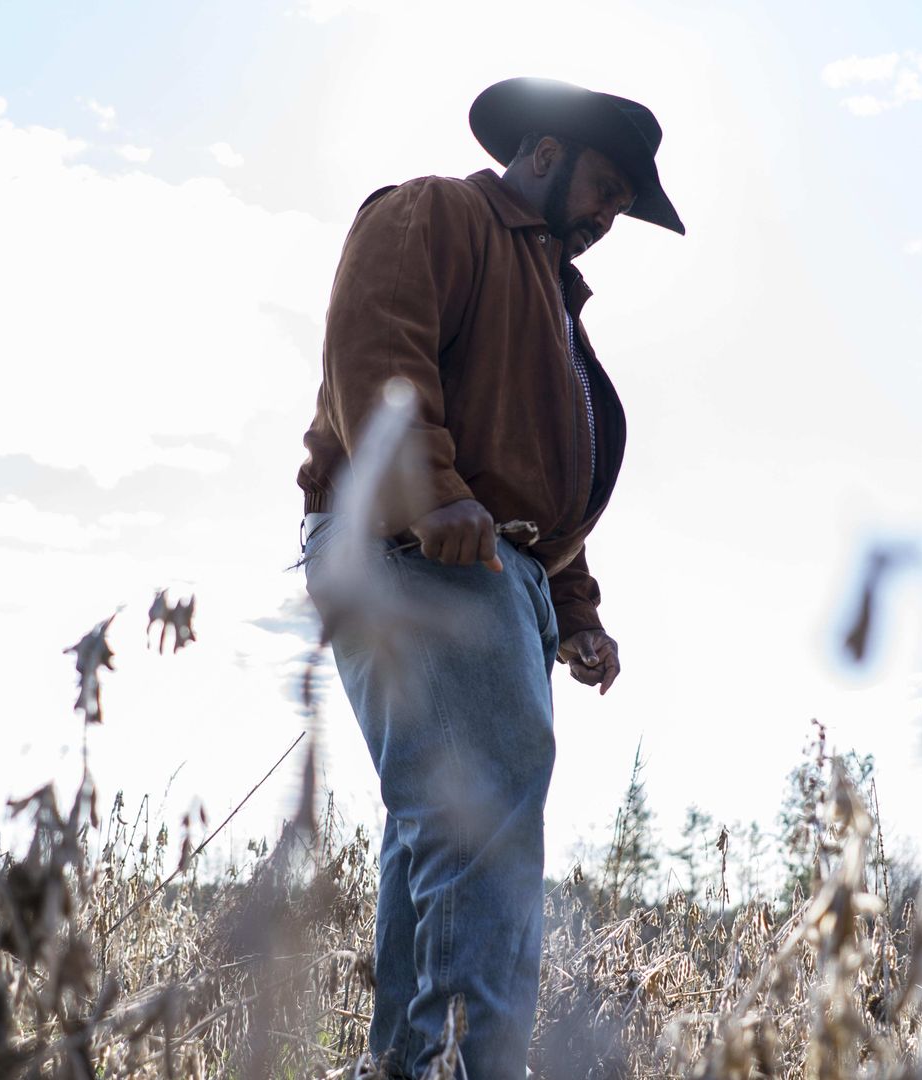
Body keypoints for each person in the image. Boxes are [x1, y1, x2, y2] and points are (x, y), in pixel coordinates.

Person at [294, 76, 685, 1079]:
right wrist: (430, 493)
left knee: (440, 824)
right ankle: (465, 1070)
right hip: (415, 546)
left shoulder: (551, 300)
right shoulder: (438, 211)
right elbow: (373, 351)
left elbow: (539, 478)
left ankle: (404, 1062)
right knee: (486, 823)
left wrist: (573, 609)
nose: (608, 215)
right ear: (545, 155)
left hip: (483, 563)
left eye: (622, 206)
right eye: (605, 187)